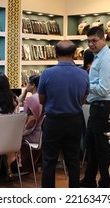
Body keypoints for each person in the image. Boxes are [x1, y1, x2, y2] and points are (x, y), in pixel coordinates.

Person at [38, 40, 89, 188]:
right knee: (73, 160)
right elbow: (83, 99)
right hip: (74, 120)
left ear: (55, 53)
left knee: (49, 160)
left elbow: (42, 99)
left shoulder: (47, 73)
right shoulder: (83, 74)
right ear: (74, 54)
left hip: (53, 121)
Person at [80, 27, 110, 188]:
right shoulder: (98, 57)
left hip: (105, 107)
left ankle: (104, 183)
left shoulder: (106, 59)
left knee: (102, 149)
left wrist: (86, 85)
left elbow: (103, 89)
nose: (91, 44)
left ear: (103, 39)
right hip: (98, 107)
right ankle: (89, 180)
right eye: (88, 41)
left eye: (94, 41)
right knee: (92, 146)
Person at [18, 75, 44, 174]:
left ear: (33, 85)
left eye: (28, 83)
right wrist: (25, 91)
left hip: (32, 135)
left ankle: (12, 167)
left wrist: (20, 133)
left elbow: (29, 123)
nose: (26, 85)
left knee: (10, 138)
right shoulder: (42, 97)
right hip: (40, 134)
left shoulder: (32, 100)